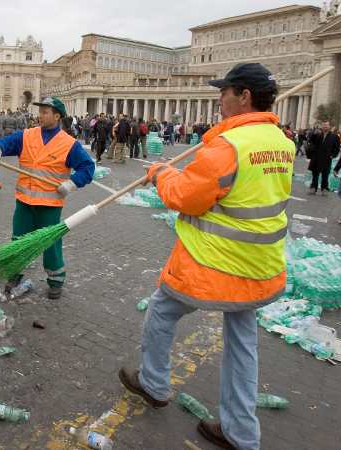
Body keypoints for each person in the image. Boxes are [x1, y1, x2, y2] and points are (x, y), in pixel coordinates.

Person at [118, 63, 293, 450]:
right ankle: (241, 433)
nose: (218, 99)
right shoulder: (281, 141)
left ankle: (153, 383)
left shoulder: (229, 145)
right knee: (243, 343)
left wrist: (162, 174)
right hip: (260, 264)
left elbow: (187, 199)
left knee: (162, 311)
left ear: (244, 96)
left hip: (213, 262)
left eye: (224, 91)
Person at [0, 97, 94, 299]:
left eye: (45, 112)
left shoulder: (69, 144)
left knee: (51, 244)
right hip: (24, 202)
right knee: (18, 240)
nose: (41, 115)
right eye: (41, 111)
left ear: (57, 116)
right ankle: (14, 274)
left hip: (50, 204)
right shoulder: (27, 135)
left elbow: (88, 168)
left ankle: (55, 280)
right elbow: (6, 142)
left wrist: (72, 183)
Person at [307, 120, 340, 195]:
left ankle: (324, 189)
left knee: (325, 174)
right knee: (315, 174)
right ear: (322, 126)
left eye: (326, 125)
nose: (325, 126)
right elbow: (310, 141)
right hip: (316, 157)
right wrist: (313, 133)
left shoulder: (334, 136)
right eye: (324, 125)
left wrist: (333, 155)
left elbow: (337, 148)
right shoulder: (317, 135)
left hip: (327, 158)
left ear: (329, 126)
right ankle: (313, 188)